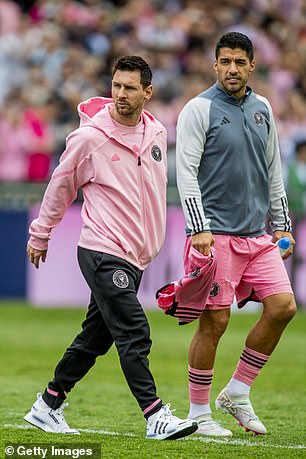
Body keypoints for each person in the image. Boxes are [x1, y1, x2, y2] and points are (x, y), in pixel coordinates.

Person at [24, 55, 198, 440]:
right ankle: (155, 416)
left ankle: (47, 405)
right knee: (135, 330)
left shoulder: (155, 133)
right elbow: (60, 186)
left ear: (147, 93)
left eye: (129, 87)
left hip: (135, 256)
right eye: (116, 86)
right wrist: (41, 232)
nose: (120, 94)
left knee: (95, 339)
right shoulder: (90, 138)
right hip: (102, 249)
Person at [176, 32, 296, 437]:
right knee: (215, 322)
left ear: (251, 66)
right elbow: (185, 172)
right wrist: (199, 228)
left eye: (239, 62)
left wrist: (283, 224)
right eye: (224, 61)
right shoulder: (198, 109)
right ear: (214, 65)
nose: (232, 69)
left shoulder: (263, 108)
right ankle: (197, 412)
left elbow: (273, 170)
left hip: (257, 236)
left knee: (283, 307)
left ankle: (238, 391)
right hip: (215, 235)